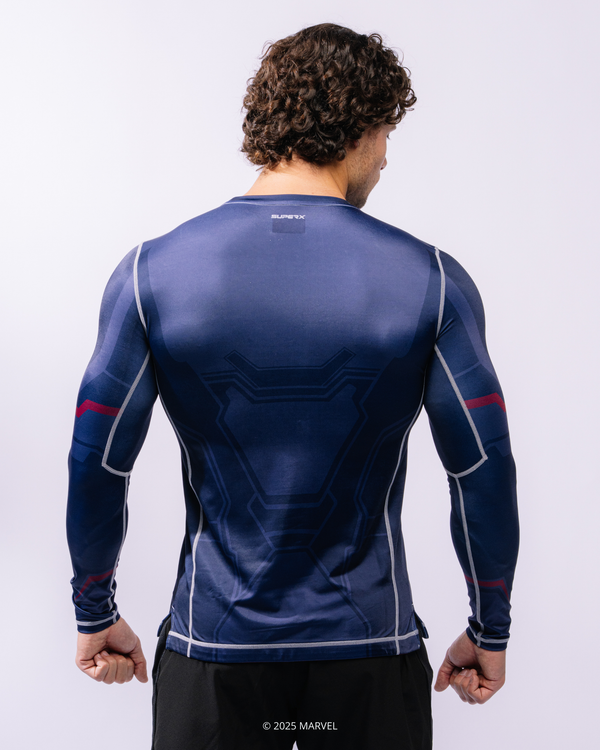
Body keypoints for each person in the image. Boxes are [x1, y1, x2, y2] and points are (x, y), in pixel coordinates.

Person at [67, 23, 519, 750]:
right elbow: (481, 471)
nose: (385, 159)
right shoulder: (431, 279)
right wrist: (489, 628)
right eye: (387, 136)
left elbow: (97, 460)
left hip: (213, 652)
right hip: (371, 654)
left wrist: (95, 611)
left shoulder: (152, 274)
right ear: (362, 128)